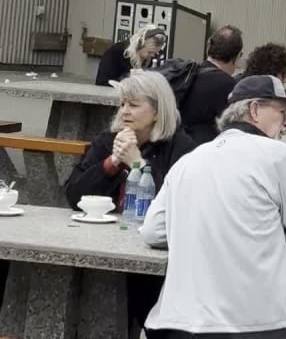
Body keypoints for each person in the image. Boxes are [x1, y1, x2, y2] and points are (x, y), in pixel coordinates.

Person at [141, 74, 286, 339]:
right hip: (256, 325)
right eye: (281, 112)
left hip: (177, 324)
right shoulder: (276, 155)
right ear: (254, 110)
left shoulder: (187, 161)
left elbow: (152, 231)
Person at [65, 70, 195, 338]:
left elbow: (179, 204)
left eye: (134, 105)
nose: (125, 111)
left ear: (158, 112)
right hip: (102, 242)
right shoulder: (108, 140)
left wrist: (138, 163)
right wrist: (111, 163)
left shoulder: (181, 147)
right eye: (122, 104)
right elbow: (73, 195)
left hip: (154, 252)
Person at [179, 25, 244, 145]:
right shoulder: (227, 84)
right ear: (237, 55)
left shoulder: (188, 73)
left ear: (209, 48)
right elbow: (234, 127)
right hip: (200, 150)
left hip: (175, 147)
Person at [95, 25, 167, 86]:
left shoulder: (150, 58)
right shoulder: (116, 53)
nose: (152, 56)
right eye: (150, 52)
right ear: (140, 44)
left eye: (155, 52)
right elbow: (102, 82)